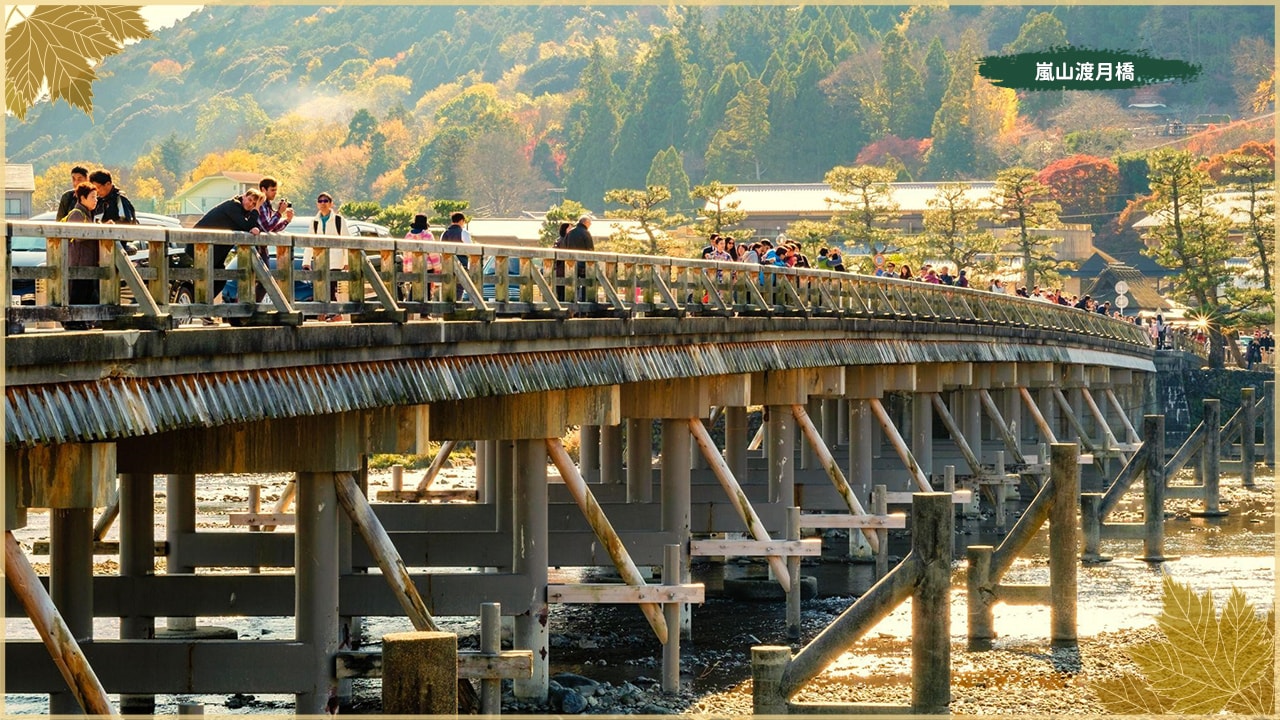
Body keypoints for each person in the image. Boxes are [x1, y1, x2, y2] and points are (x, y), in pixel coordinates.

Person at [192, 188, 264, 298]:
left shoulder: (243, 213)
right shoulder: (233, 206)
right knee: (203, 279)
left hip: (214, 250)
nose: (250, 204)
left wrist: (255, 227)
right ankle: (200, 303)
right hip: (199, 247)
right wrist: (257, 209)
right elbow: (246, 226)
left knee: (220, 280)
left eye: (254, 203)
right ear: (244, 196)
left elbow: (250, 225)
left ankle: (205, 304)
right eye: (249, 200)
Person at [302, 192, 348, 321]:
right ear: (317, 204)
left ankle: (335, 314)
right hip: (320, 260)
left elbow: (347, 241)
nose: (323, 203)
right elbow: (309, 242)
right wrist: (306, 261)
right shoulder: (314, 221)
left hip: (335, 259)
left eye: (326, 201)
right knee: (321, 287)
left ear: (331, 203)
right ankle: (328, 313)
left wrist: (347, 261)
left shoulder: (339, 220)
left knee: (331, 286)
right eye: (320, 201)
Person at [61, 182, 100, 329]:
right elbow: (78, 235)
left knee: (86, 293)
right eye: (92, 197)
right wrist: (98, 229)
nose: (95, 200)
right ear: (83, 198)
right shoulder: (77, 213)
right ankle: (72, 321)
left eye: (96, 197)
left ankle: (81, 321)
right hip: (80, 261)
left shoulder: (85, 213)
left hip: (86, 261)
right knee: (79, 293)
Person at [403, 213, 439, 304]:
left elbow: (405, 254)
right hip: (427, 266)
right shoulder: (428, 235)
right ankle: (424, 310)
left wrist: (406, 268)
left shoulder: (408, 236)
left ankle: (411, 306)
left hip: (412, 266)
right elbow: (433, 253)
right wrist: (437, 267)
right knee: (426, 289)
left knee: (414, 287)